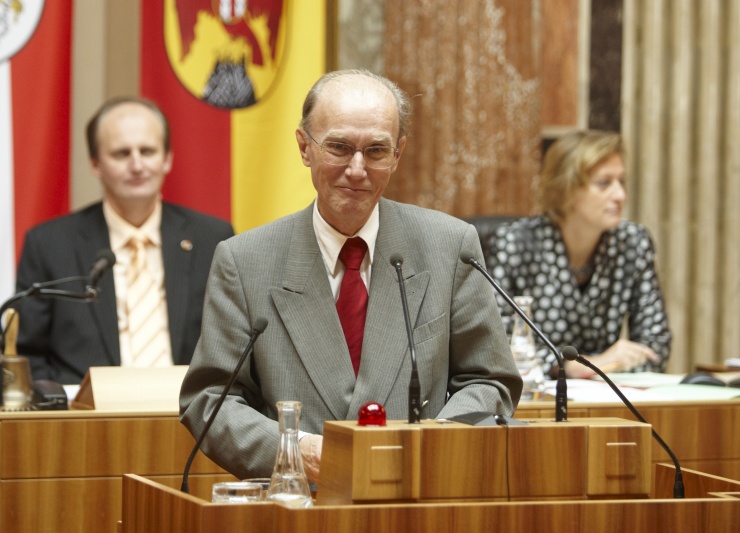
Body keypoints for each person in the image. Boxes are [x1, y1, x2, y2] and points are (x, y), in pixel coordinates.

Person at [179, 69, 522, 483]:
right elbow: (210, 402)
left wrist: (436, 444)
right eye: (339, 147)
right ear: (304, 147)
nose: (357, 169)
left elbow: (490, 380)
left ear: (398, 154)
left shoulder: (449, 246)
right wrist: (295, 451)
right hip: (301, 506)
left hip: (419, 500)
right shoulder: (244, 260)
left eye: (376, 151)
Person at [16, 97, 234, 384]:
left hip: (189, 416)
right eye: (121, 154)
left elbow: (234, 343)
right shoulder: (49, 244)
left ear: (167, 158)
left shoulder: (213, 239)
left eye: (147, 151)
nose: (137, 165)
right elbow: (29, 354)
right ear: (95, 163)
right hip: (87, 419)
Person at [486, 130, 672, 379]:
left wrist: (603, 368)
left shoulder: (632, 242)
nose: (620, 195)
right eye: (604, 183)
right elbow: (494, 347)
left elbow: (656, 344)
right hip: (535, 401)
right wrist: (576, 366)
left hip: (609, 394)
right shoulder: (514, 244)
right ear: (566, 190)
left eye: (622, 181)